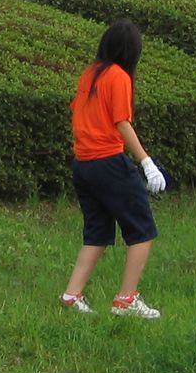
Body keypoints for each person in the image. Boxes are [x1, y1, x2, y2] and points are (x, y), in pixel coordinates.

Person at [60, 19, 167, 319]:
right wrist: (147, 162)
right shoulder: (119, 77)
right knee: (142, 229)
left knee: (97, 232)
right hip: (108, 161)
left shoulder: (90, 74)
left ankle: (71, 295)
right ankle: (126, 300)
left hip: (83, 164)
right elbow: (122, 122)